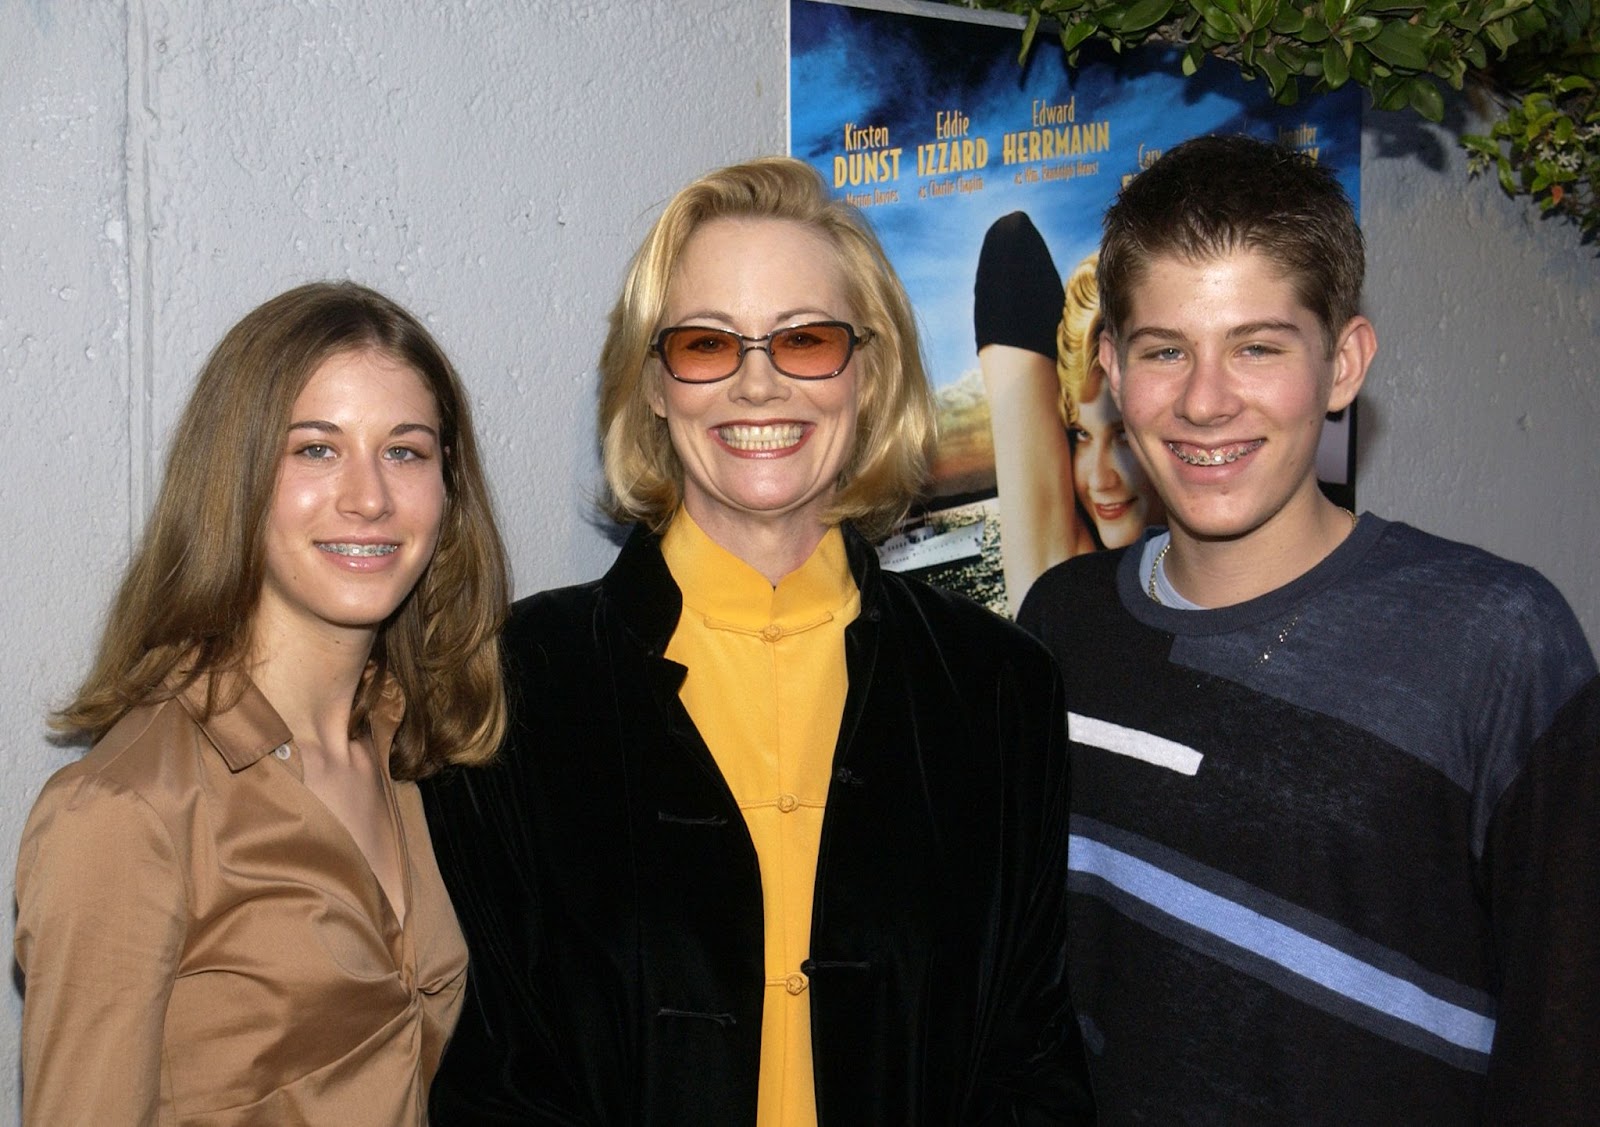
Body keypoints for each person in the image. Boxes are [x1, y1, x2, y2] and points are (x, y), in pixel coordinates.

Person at [422, 156, 1094, 1125]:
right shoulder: (513, 687)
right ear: (653, 383)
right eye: (706, 344)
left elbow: (1028, 1062)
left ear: (868, 371)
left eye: (806, 338)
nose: (757, 383)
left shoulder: (997, 690)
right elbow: (491, 1078)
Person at [1019, 133, 1600, 1123]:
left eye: (1256, 346)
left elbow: (1570, 1038)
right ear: (1112, 369)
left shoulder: (1498, 640)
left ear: (1342, 362)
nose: (1205, 400)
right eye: (1165, 350)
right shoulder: (1062, 623)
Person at [15, 281, 509, 1125]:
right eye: (316, 449)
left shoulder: (419, 757)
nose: (369, 497)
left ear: (448, 487)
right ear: (235, 477)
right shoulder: (127, 811)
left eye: (405, 450)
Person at [976, 216, 1163, 616]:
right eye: (1080, 434)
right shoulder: (1061, 586)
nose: (1100, 480)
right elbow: (1010, 246)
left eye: (1124, 435)